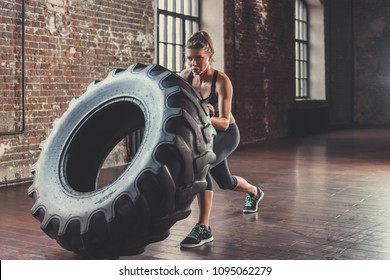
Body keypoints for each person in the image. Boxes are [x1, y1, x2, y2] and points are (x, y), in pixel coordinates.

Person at [179, 31, 265, 248]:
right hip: (205, 136)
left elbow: (225, 122)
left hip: (226, 134)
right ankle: (254, 192)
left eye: (199, 57)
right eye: (190, 58)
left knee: (203, 166)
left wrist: (206, 114)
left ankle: (204, 228)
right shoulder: (186, 77)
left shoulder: (221, 81)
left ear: (209, 55)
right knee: (225, 182)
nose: (194, 63)